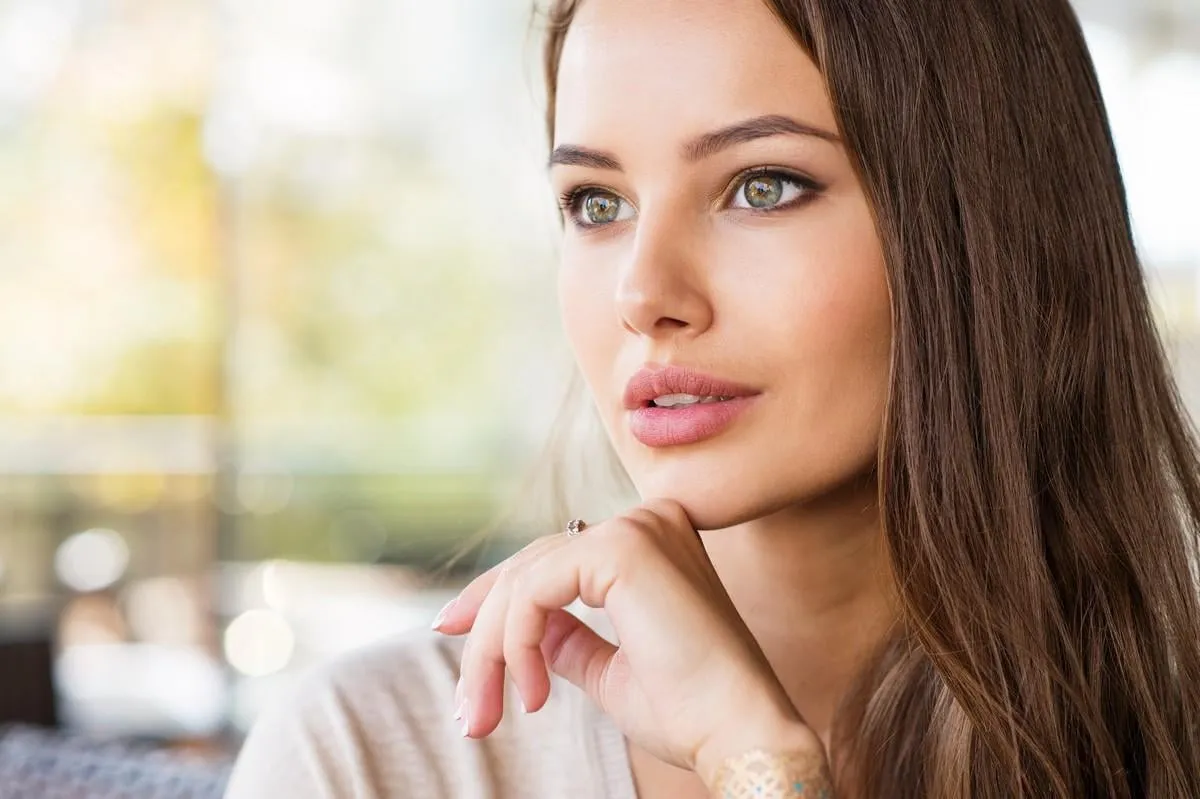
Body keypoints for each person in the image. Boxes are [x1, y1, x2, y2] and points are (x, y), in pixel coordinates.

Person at [223, 0, 1200, 797]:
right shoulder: (368, 757)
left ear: (986, 228)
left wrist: (757, 761)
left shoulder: (1169, 735)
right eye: (596, 203)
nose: (643, 293)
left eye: (762, 186)